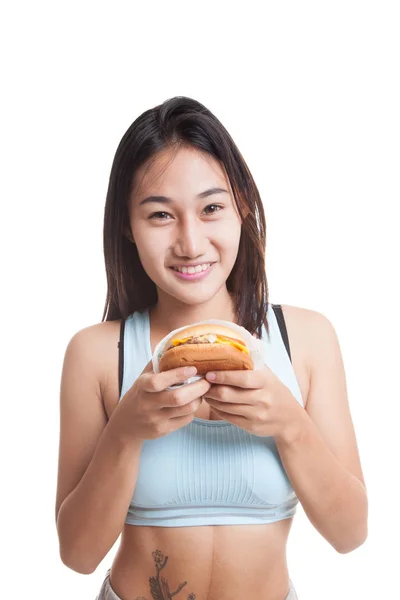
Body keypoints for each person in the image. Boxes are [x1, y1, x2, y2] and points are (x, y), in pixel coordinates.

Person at [55, 96, 368, 600]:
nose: (191, 242)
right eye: (161, 215)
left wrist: (288, 422)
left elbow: (351, 534)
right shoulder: (96, 354)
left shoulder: (306, 339)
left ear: (243, 207)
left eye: (212, 208)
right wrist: (126, 431)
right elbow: (78, 554)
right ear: (127, 228)